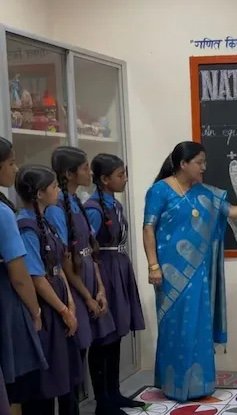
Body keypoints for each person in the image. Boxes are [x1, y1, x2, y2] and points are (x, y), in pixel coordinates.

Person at [143, 141, 237, 402]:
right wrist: (153, 266)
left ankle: (198, 386)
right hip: (169, 275)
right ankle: (174, 385)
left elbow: (231, 211)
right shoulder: (159, 191)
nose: (204, 167)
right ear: (183, 164)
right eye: (199, 162)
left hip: (198, 274)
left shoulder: (206, 194)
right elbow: (148, 228)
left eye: (204, 162)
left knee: (197, 326)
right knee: (174, 328)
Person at [46, 146, 118, 414]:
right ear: (69, 173)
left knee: (86, 351)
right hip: (74, 286)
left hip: (88, 279)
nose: (90, 173)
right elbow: (65, 259)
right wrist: (86, 296)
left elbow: (90, 249)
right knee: (72, 361)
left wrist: (99, 287)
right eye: (85, 168)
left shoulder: (77, 202)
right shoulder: (56, 209)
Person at [16, 164, 82, 415]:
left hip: (60, 300)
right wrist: (63, 310)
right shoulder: (26, 226)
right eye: (53, 186)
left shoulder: (46, 221)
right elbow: (36, 277)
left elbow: (57, 265)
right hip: (45, 307)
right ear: (39, 193)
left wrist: (70, 303)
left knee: (64, 374)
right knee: (44, 383)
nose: (57, 191)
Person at [84, 154, 146, 410]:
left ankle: (114, 391)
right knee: (103, 336)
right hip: (104, 270)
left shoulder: (116, 205)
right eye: (120, 175)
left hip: (119, 267)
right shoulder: (93, 209)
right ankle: (103, 400)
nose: (125, 179)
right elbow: (87, 246)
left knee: (117, 333)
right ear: (104, 179)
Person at [0, 137, 48, 407]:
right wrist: (35, 310)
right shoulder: (4, 213)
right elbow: (19, 274)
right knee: (17, 384)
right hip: (6, 301)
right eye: (11, 163)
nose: (15, 169)